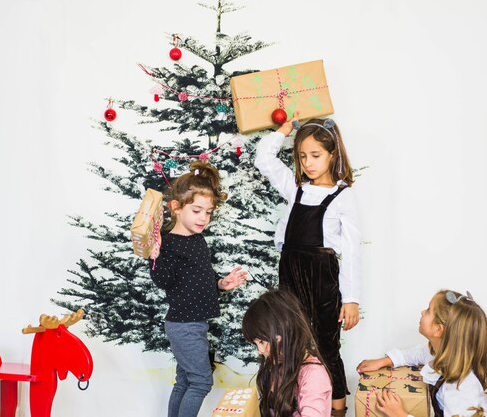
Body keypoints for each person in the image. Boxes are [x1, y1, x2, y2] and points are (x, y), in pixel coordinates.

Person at [254, 113, 362, 415]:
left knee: (326, 345)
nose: (308, 163)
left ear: (333, 154)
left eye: (315, 155)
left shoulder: (343, 196)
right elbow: (264, 158)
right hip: (290, 271)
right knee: (290, 342)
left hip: (323, 276)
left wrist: (351, 300)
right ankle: (294, 404)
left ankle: (338, 409)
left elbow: (352, 251)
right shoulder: (295, 188)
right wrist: (285, 130)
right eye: (302, 157)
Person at [149, 160, 248, 417]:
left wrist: (221, 284)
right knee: (202, 381)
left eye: (208, 212)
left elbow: (200, 277)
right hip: (184, 324)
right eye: (196, 211)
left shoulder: (198, 240)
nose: (203, 217)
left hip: (195, 322)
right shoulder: (168, 244)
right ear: (177, 207)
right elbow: (163, 281)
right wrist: (155, 256)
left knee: (185, 381)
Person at [356, 290, 487, 417]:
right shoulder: (442, 354)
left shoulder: (460, 389)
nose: (422, 312)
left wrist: (399, 414)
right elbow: (417, 354)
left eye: (428, 310)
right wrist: (385, 361)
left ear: (439, 329)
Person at [242, 289, 332, 417]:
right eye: (255, 343)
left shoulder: (313, 375)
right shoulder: (276, 364)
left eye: (262, 341)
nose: (260, 350)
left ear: (287, 332)